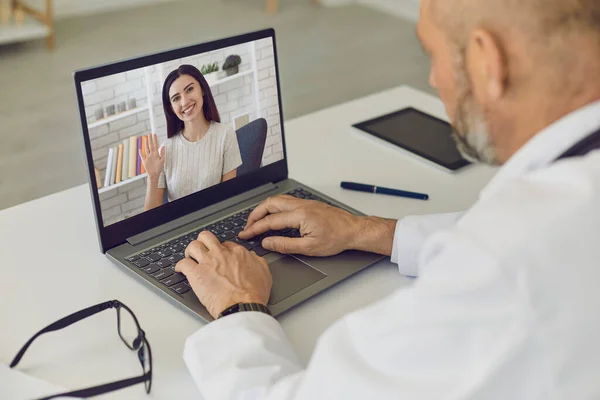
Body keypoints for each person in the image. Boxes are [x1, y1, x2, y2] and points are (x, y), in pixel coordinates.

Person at [175, 0, 600, 398]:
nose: (434, 79)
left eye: (431, 54)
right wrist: (367, 231)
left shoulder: (501, 270)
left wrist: (238, 306)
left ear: (486, 62)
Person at [141, 65, 242, 211]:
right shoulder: (165, 151)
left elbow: (229, 200)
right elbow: (149, 220)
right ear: (171, 108)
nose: (184, 102)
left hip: (217, 220)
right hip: (180, 227)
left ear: (202, 89)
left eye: (189, 90)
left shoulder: (225, 134)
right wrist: (153, 177)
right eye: (176, 98)